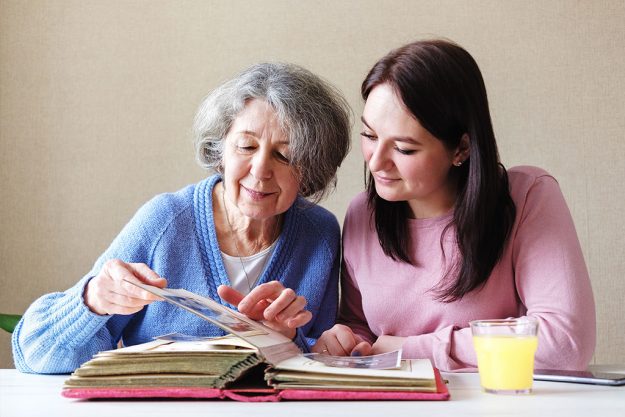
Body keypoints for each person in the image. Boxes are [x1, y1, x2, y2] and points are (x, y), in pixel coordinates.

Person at [13, 63, 351, 374]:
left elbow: (316, 362)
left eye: (284, 155)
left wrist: (285, 341)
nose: (261, 170)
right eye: (246, 147)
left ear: (311, 168)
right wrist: (92, 301)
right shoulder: (165, 221)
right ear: (220, 150)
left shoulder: (319, 233)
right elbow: (34, 354)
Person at [312, 39, 596, 372]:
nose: (377, 163)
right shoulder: (363, 213)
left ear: (461, 148)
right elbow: (365, 331)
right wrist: (344, 339)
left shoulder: (527, 196)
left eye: (404, 149)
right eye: (370, 136)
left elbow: (566, 343)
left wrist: (413, 349)